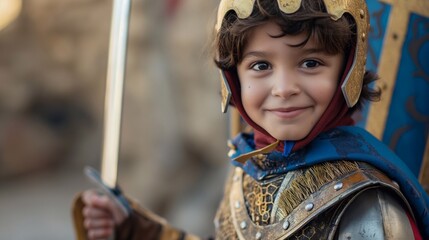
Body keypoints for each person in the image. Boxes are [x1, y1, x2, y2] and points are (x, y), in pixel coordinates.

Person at [72, 0, 429, 239]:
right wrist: (135, 229)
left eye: (310, 63)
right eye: (261, 66)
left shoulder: (367, 205)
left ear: (346, 70)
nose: (284, 88)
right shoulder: (249, 166)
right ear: (233, 78)